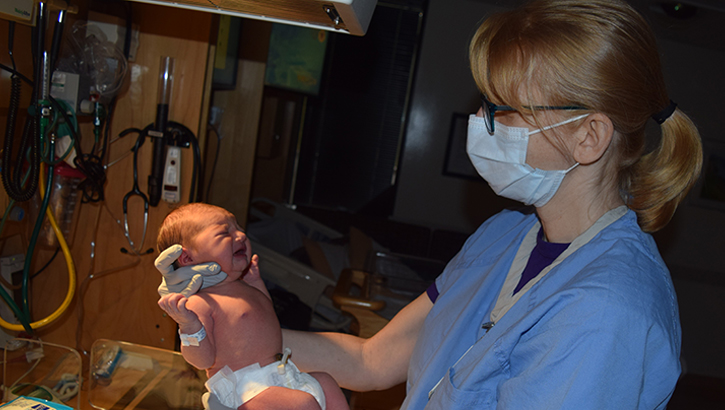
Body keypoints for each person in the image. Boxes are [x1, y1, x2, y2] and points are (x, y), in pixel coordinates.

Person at [276, 1, 703, 409]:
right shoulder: (502, 235)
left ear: (588, 136)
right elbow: (370, 361)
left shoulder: (607, 311)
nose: (482, 122)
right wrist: (245, 332)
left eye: (504, 109)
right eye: (486, 104)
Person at [155, 203, 349, 410]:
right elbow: (202, 361)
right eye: (224, 232)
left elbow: (266, 314)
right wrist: (189, 326)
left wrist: (256, 283)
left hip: (280, 374)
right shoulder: (200, 302)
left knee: (325, 382)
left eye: (238, 228)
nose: (240, 235)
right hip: (245, 388)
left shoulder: (242, 287)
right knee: (303, 403)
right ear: (187, 258)